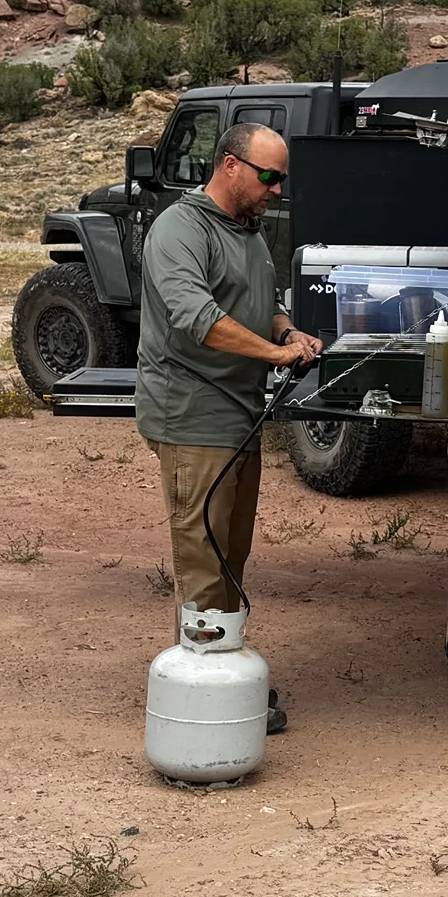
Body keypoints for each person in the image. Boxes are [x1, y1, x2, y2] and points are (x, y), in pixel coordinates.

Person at [135, 122, 321, 734]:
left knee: (230, 555)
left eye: (283, 179)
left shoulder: (248, 232)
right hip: (192, 413)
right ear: (231, 165)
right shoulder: (180, 231)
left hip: (237, 413)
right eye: (268, 176)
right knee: (204, 556)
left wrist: (287, 331)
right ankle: (207, 699)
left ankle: (223, 681)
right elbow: (198, 318)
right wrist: (274, 357)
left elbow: (258, 303)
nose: (276, 189)